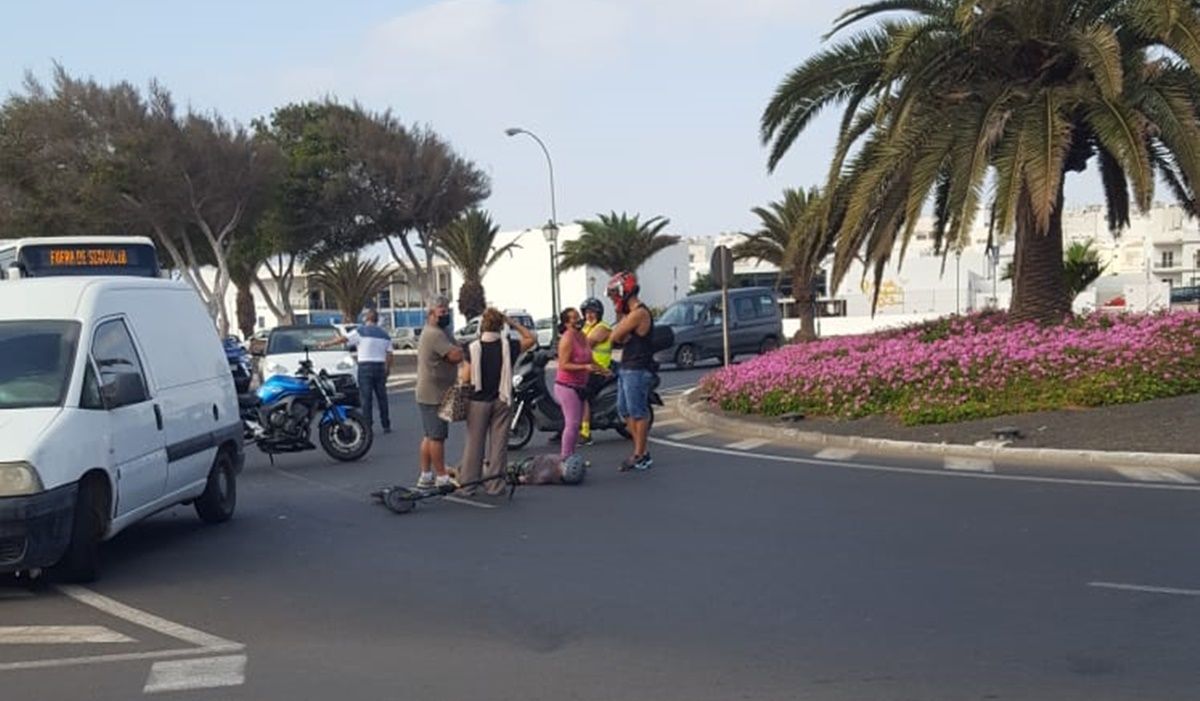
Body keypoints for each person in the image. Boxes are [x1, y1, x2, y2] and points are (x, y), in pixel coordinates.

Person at [456, 308, 535, 496]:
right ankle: (495, 485)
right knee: (499, 444)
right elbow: (531, 338)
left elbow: (466, 377)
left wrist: (461, 374)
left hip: (478, 401)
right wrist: (512, 322)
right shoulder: (509, 346)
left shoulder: (472, 348)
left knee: (475, 444)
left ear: (481, 326)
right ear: (501, 326)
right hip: (502, 398)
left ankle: (468, 485)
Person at [607, 271, 655, 471]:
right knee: (624, 410)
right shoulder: (630, 314)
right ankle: (641, 451)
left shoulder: (639, 313)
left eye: (615, 294)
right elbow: (618, 336)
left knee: (637, 412)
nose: (614, 299)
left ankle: (640, 455)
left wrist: (620, 320)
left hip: (637, 367)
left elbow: (615, 335)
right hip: (627, 366)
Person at [415, 296, 463, 489]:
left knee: (429, 435)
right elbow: (455, 355)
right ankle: (441, 475)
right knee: (437, 437)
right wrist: (458, 352)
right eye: (442, 311)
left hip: (436, 392)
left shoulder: (443, 332)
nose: (446, 314)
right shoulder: (434, 334)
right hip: (433, 394)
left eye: (446, 310)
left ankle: (425, 475)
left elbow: (457, 348)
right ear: (431, 313)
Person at [319, 309, 393, 433]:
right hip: (380, 367)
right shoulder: (385, 334)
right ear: (376, 319)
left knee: (366, 398)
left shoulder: (361, 331)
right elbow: (390, 354)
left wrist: (326, 344)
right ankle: (386, 424)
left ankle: (367, 425)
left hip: (365, 366)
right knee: (382, 397)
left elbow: (344, 339)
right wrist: (387, 369)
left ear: (366, 319)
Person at [554, 307, 603, 460]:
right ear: (567, 323)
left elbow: (589, 357)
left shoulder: (582, 336)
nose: (578, 320)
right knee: (573, 424)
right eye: (574, 318)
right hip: (566, 386)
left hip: (581, 386)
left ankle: (571, 457)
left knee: (577, 426)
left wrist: (601, 369)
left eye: (578, 317)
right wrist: (584, 367)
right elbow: (563, 364)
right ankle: (565, 458)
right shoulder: (567, 339)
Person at [578, 297, 613, 446]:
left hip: (599, 371)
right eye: (586, 312)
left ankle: (586, 433)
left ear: (599, 314)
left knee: (581, 394)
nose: (589, 315)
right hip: (585, 369)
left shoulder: (603, 328)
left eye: (592, 312)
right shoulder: (584, 328)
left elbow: (587, 343)